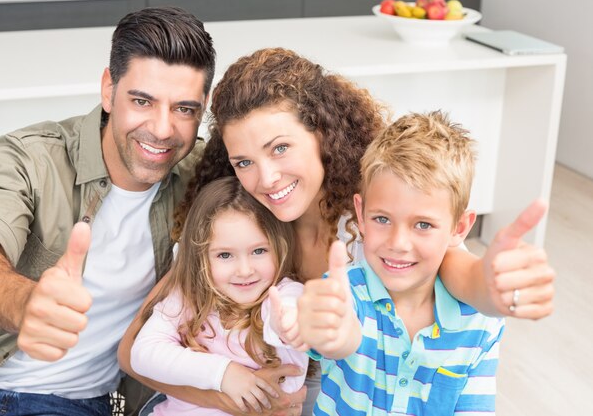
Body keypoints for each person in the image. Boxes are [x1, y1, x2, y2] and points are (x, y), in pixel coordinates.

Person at [118, 48, 555, 416]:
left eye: (281, 148)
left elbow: (456, 270)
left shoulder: (377, 214)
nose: (266, 178)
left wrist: (495, 287)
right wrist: (232, 395)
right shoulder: (244, 222)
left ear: (322, 133)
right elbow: (132, 353)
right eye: (244, 162)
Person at [0, 6, 219, 416]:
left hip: (102, 402)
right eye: (142, 100)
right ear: (108, 90)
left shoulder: (199, 174)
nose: (161, 129)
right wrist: (26, 303)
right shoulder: (24, 159)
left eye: (183, 109)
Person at [296, 111, 508, 415]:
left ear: (459, 228)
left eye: (422, 225)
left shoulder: (480, 323)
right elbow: (333, 339)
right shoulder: (344, 294)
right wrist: (336, 336)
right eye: (382, 219)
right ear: (361, 213)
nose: (397, 243)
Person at [129, 176, 309, 416]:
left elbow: (287, 313)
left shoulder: (283, 294)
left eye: (259, 251)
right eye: (225, 255)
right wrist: (223, 373)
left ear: (280, 246)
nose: (245, 270)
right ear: (201, 257)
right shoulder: (188, 297)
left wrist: (290, 326)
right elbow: (142, 353)